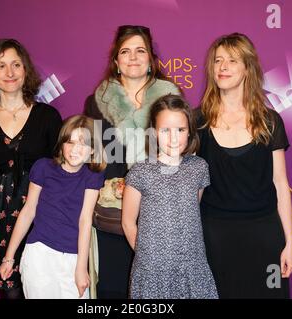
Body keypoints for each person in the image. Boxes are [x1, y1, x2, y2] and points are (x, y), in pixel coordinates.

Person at [196, 33, 292, 298]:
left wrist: (289, 243)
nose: (223, 67)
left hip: (264, 236)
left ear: (247, 68)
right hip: (213, 237)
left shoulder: (270, 121)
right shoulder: (197, 121)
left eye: (232, 60)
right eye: (218, 61)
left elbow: (280, 184)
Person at [83, 25, 180, 298]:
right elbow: (94, 157)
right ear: (116, 61)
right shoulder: (97, 102)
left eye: (141, 51)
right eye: (125, 51)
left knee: (155, 293)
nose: (133, 57)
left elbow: (178, 156)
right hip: (112, 211)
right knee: (113, 289)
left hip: (158, 213)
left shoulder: (170, 99)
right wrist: (115, 185)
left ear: (151, 59)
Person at [0, 38, 62, 299]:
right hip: (1, 223)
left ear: (26, 70)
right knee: (12, 294)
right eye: (1, 66)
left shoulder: (48, 116)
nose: (9, 73)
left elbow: (60, 169)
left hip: (44, 218)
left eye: (16, 65)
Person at [0, 115, 106, 299]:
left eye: (83, 144)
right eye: (70, 142)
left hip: (73, 257)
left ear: (93, 150)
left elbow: (85, 220)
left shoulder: (93, 175)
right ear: (61, 144)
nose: (74, 150)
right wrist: (9, 257)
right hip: (40, 253)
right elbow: (28, 212)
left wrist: (81, 267)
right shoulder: (43, 168)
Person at [122, 94, 218, 299]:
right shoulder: (141, 172)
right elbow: (128, 223)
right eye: (165, 130)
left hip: (192, 266)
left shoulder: (199, 168)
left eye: (180, 130)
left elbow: (192, 209)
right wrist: (147, 257)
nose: (173, 138)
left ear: (190, 132)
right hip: (152, 272)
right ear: (154, 133)